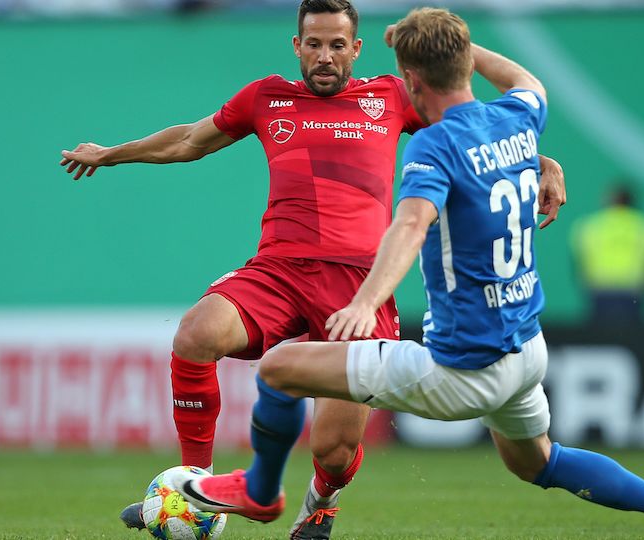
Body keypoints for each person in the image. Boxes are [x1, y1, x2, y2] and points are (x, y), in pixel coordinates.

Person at [172, 8, 644, 540]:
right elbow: (525, 79)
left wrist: (368, 300)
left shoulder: (436, 147)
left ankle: (260, 491)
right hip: (523, 350)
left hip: (461, 366)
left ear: (411, 79)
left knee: (277, 370)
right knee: (541, 462)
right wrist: (453, 44)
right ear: (465, 62)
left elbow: (410, 226)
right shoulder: (518, 118)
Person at [59, 1, 567, 538]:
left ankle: (320, 504)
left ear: (357, 49)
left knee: (334, 448)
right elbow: (190, 140)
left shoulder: (391, 98)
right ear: (297, 46)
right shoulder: (266, 98)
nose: (325, 57)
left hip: (357, 286)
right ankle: (193, 489)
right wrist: (112, 153)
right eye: (315, 44)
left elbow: (479, 136)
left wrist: (543, 162)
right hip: (279, 270)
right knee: (195, 334)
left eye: (337, 45)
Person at [570, 183, 644, 325]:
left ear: (609, 201)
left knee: (600, 340)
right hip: (634, 294)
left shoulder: (589, 226)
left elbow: (578, 263)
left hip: (600, 293)